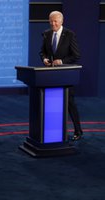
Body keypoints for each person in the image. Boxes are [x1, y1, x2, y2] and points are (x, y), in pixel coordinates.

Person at [40, 11, 83, 141]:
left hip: (65, 75)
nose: (53, 24)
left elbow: (76, 55)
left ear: (61, 21)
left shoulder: (69, 35)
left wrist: (62, 62)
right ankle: (53, 132)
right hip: (51, 75)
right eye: (51, 21)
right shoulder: (46, 34)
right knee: (51, 103)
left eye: (55, 21)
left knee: (69, 103)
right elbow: (42, 52)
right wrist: (44, 59)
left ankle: (78, 131)